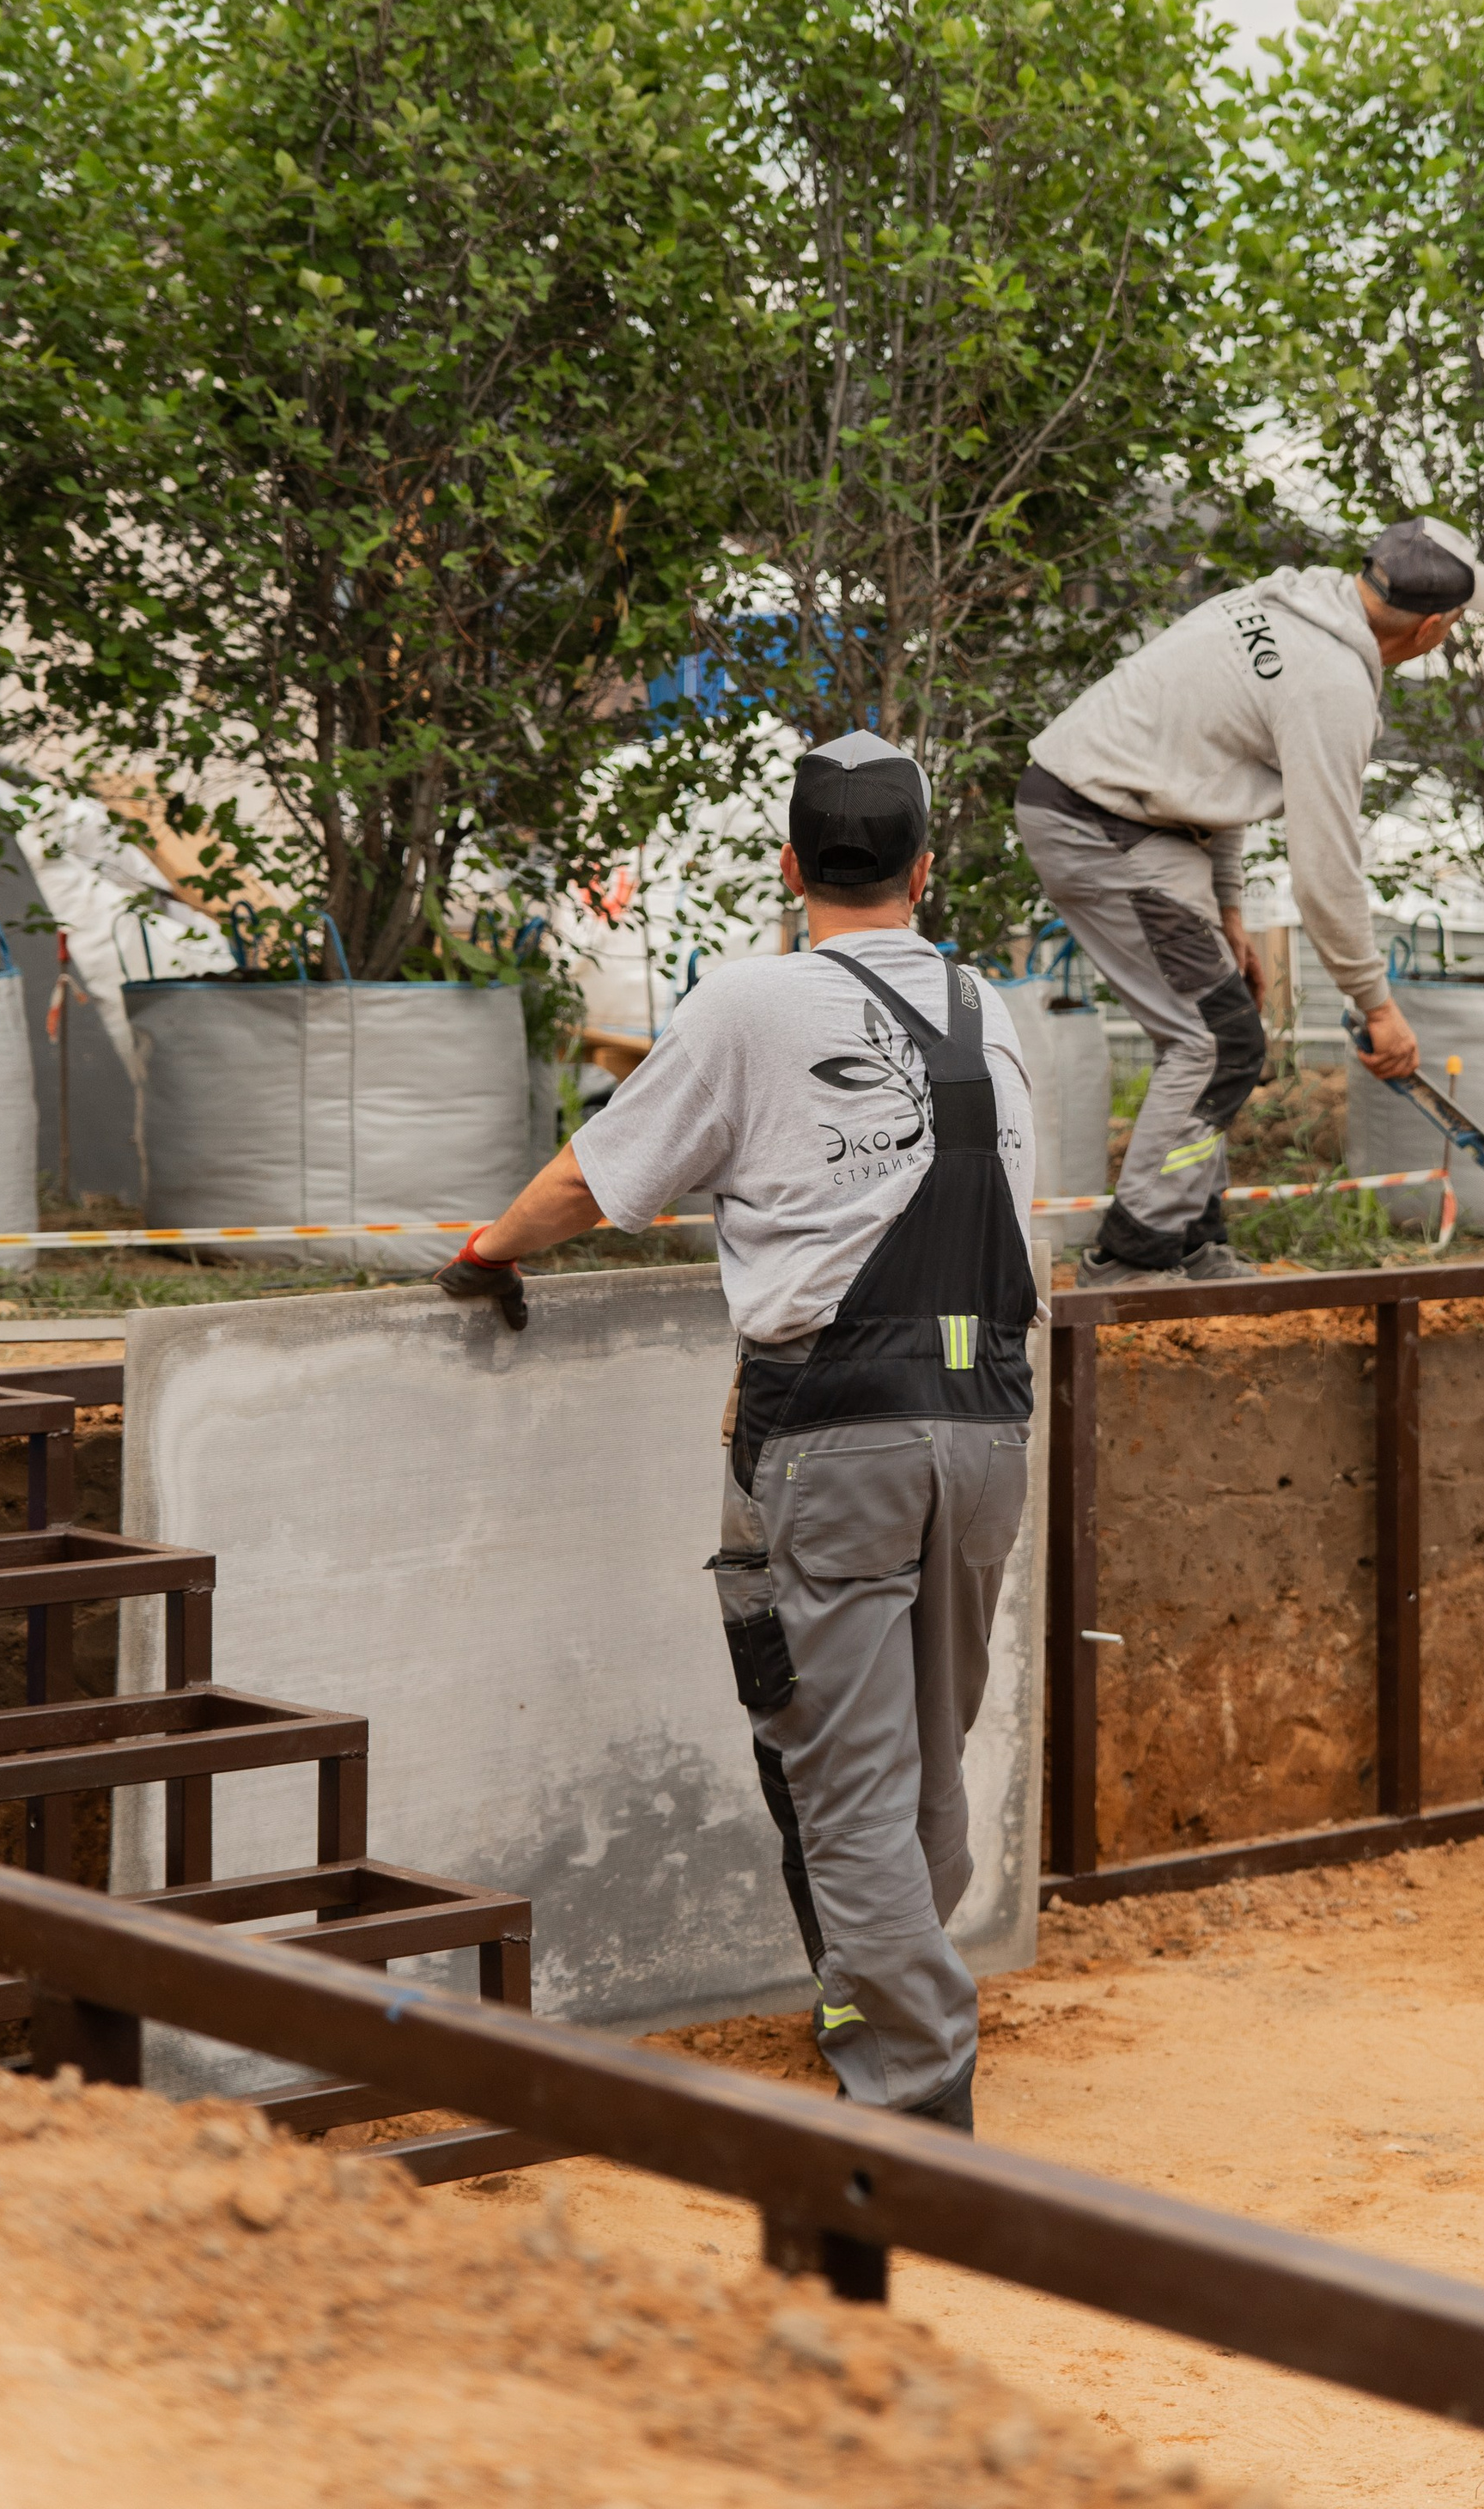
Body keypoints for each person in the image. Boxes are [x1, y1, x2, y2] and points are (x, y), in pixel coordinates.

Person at [435, 728, 1036, 2134]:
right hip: (990, 1423)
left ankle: (915, 2096)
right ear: (924, 870)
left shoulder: (752, 1004)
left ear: (789, 867)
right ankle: (881, 1994)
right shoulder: (988, 1007)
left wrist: (489, 1250)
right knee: (929, 1758)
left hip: (833, 1433)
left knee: (843, 1768)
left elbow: (593, 1181)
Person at [1016, 515, 1484, 1288]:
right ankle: (1133, 1256)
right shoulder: (1332, 684)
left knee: (1216, 1034)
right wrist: (1375, 1004)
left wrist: (1230, 911)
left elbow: (1223, 766)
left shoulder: (1289, 602)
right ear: (1436, 628)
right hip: (1100, 823)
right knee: (1216, 1043)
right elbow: (1326, 868)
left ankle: (1190, 1240)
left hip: (1130, 817)